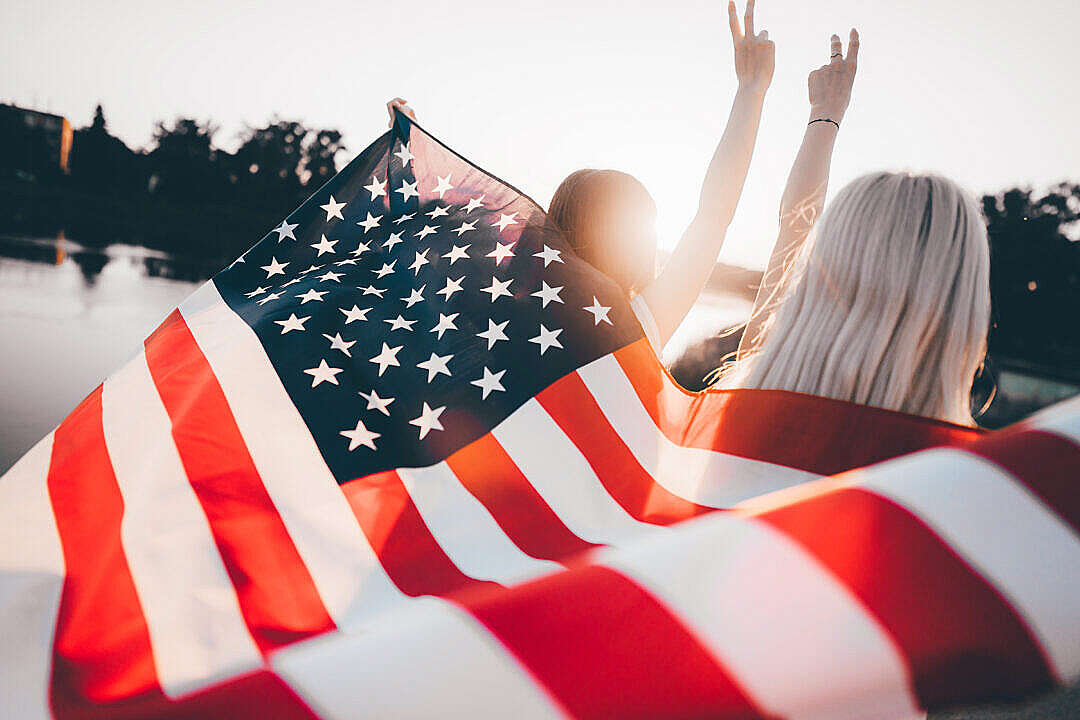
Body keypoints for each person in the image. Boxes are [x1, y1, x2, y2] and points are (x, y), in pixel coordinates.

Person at [390, 0, 777, 355]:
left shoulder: (500, 320)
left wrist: (409, 155)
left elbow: (421, 252)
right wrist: (751, 92)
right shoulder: (635, 325)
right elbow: (713, 216)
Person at [716, 32, 991, 426]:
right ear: (962, 300)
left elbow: (793, 233)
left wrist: (824, 115)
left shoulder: (750, 405)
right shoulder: (957, 478)